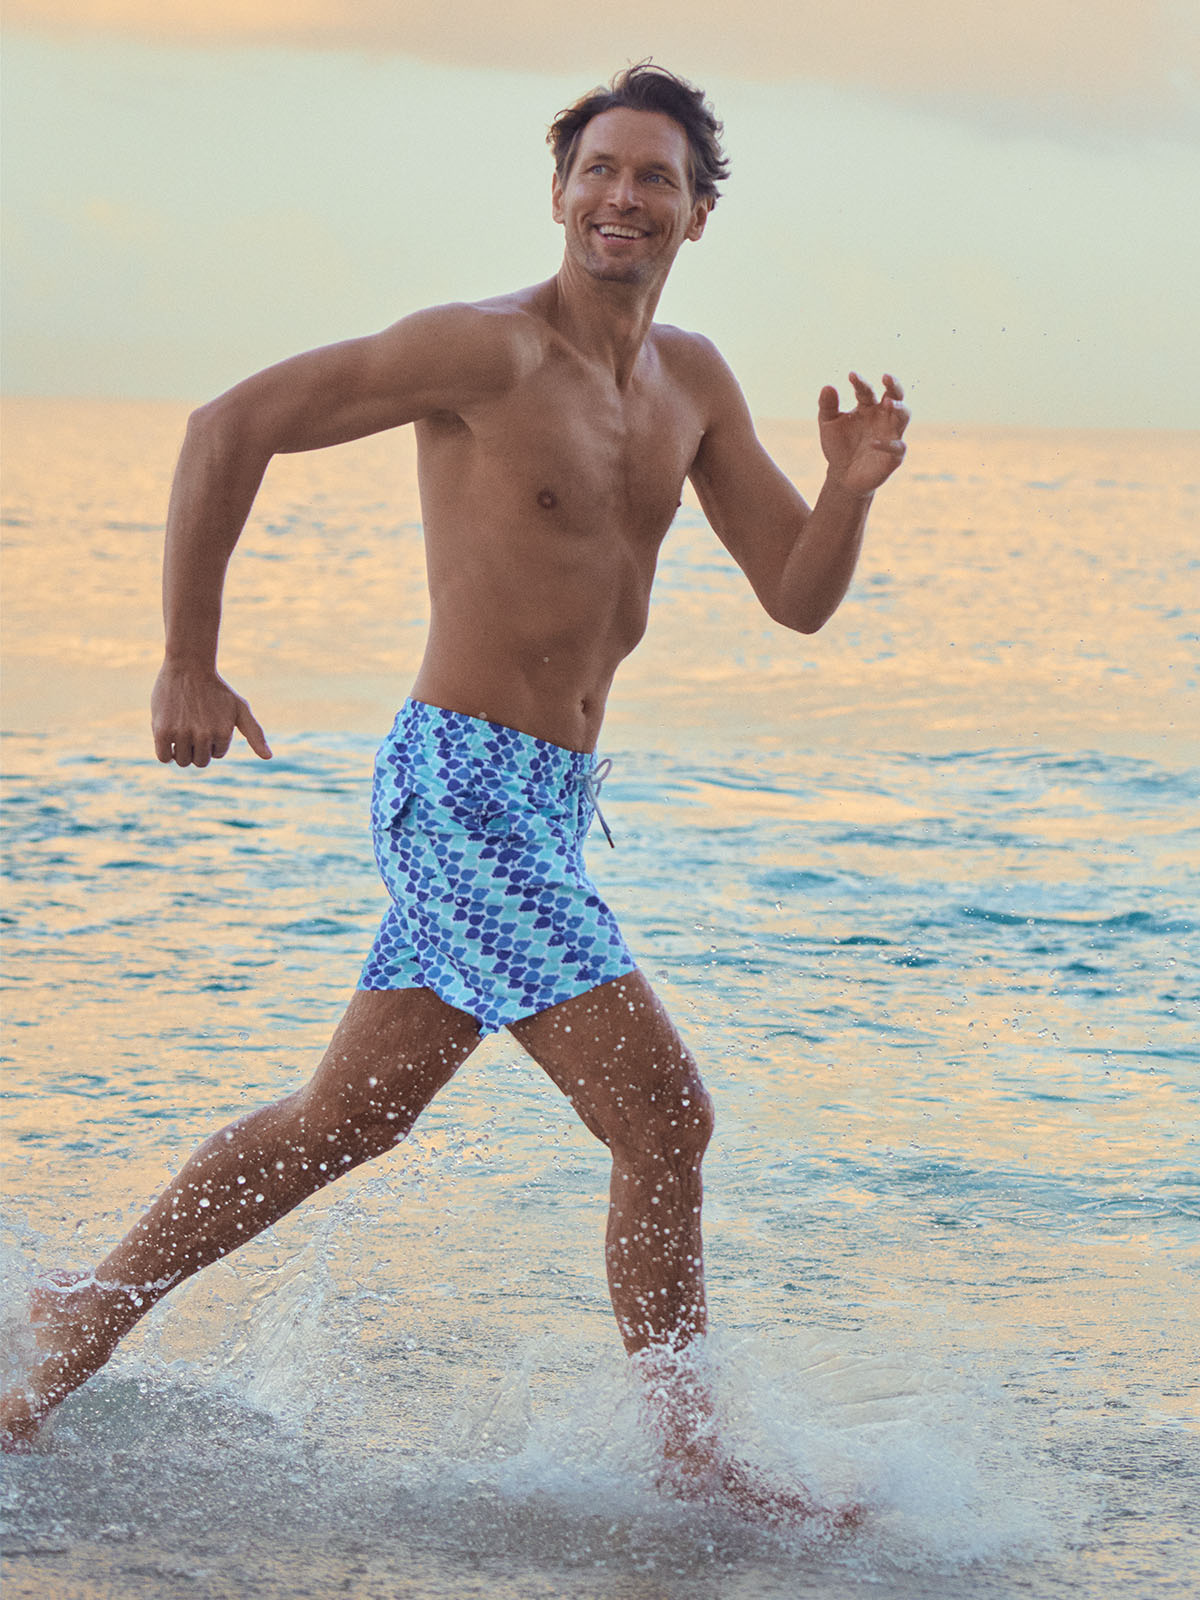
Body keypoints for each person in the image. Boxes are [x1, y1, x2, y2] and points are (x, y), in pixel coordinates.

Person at [2, 64, 908, 1519]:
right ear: (559, 193)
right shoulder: (481, 354)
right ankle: (692, 1463)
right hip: (461, 787)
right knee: (666, 1118)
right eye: (599, 170)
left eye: (653, 178)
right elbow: (227, 423)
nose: (623, 197)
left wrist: (852, 488)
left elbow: (796, 597)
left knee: (341, 1123)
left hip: (554, 802)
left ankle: (75, 1320)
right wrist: (185, 657)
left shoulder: (695, 383)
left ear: (700, 210)